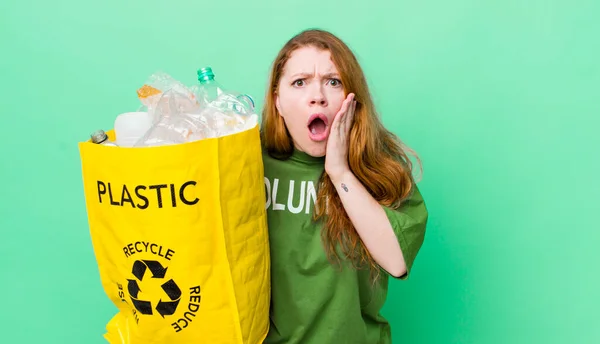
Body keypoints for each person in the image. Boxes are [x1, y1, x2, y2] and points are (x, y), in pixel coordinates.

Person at [259, 28, 429, 344]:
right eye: (300, 82)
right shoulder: (248, 163)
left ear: (354, 98)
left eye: (333, 82)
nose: (318, 95)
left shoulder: (380, 167)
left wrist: (340, 173)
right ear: (278, 101)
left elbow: (396, 261)